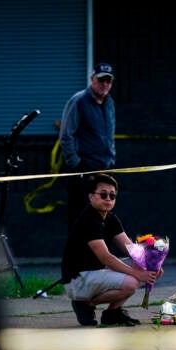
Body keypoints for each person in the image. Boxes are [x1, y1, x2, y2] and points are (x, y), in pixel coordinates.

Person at [61, 173, 162, 327]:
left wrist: (153, 262)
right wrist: (138, 274)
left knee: (143, 268)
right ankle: (85, 303)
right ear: (91, 197)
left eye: (112, 195)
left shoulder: (111, 219)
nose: (108, 198)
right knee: (131, 282)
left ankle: (112, 313)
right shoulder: (88, 220)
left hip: (96, 274)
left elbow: (131, 250)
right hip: (78, 280)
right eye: (103, 194)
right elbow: (106, 258)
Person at [59, 62, 117, 231]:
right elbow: (66, 135)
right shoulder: (78, 101)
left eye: (108, 81)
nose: (105, 84)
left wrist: (111, 157)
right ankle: (75, 258)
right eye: (101, 80)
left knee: (101, 219)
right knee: (80, 219)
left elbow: (109, 134)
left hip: (105, 169)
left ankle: (97, 258)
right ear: (92, 79)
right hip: (84, 170)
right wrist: (77, 165)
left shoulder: (109, 102)